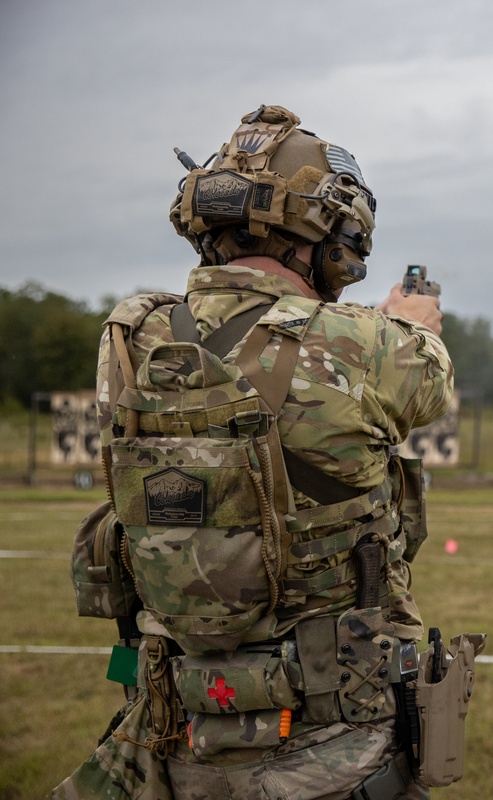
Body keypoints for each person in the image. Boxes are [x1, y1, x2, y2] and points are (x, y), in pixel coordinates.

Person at [54, 105, 452, 799]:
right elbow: (426, 378)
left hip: (171, 737)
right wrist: (409, 321)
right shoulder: (370, 345)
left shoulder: (133, 335)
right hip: (334, 750)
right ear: (326, 230)